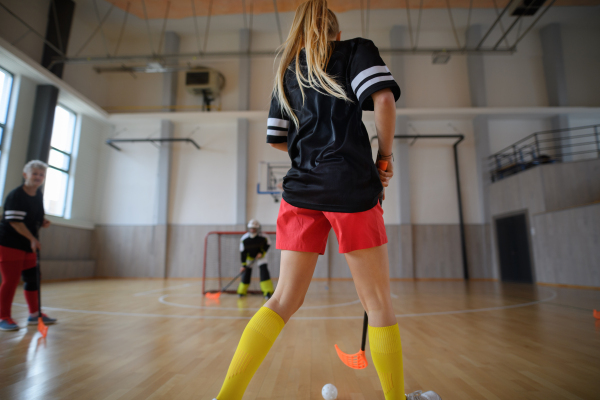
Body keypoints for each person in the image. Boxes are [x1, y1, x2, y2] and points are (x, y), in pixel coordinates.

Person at [213, 1, 441, 399]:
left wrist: (313, 160)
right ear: (336, 32)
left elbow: (280, 138)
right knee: (378, 302)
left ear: (299, 34)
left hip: (300, 191)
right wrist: (382, 159)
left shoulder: (287, 69)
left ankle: (226, 397)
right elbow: (384, 101)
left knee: (282, 300)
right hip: (351, 187)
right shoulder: (355, 50)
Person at [0, 160, 56, 331]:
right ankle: (3, 317)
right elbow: (15, 222)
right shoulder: (16, 195)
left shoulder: (38, 194)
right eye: (35, 173)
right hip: (9, 244)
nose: (38, 177)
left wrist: (42, 221)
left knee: (33, 278)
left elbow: (32, 217)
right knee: (11, 281)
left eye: (41, 174)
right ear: (26, 175)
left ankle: (35, 314)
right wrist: (32, 238)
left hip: (28, 244)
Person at [237, 219, 274, 299]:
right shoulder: (244, 239)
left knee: (264, 271)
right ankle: (241, 292)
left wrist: (262, 252)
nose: (252, 230)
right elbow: (243, 252)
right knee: (246, 273)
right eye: (251, 228)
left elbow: (268, 245)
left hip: (261, 256)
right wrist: (243, 265)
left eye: (254, 228)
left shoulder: (264, 237)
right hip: (249, 257)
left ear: (258, 229)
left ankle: (267, 292)